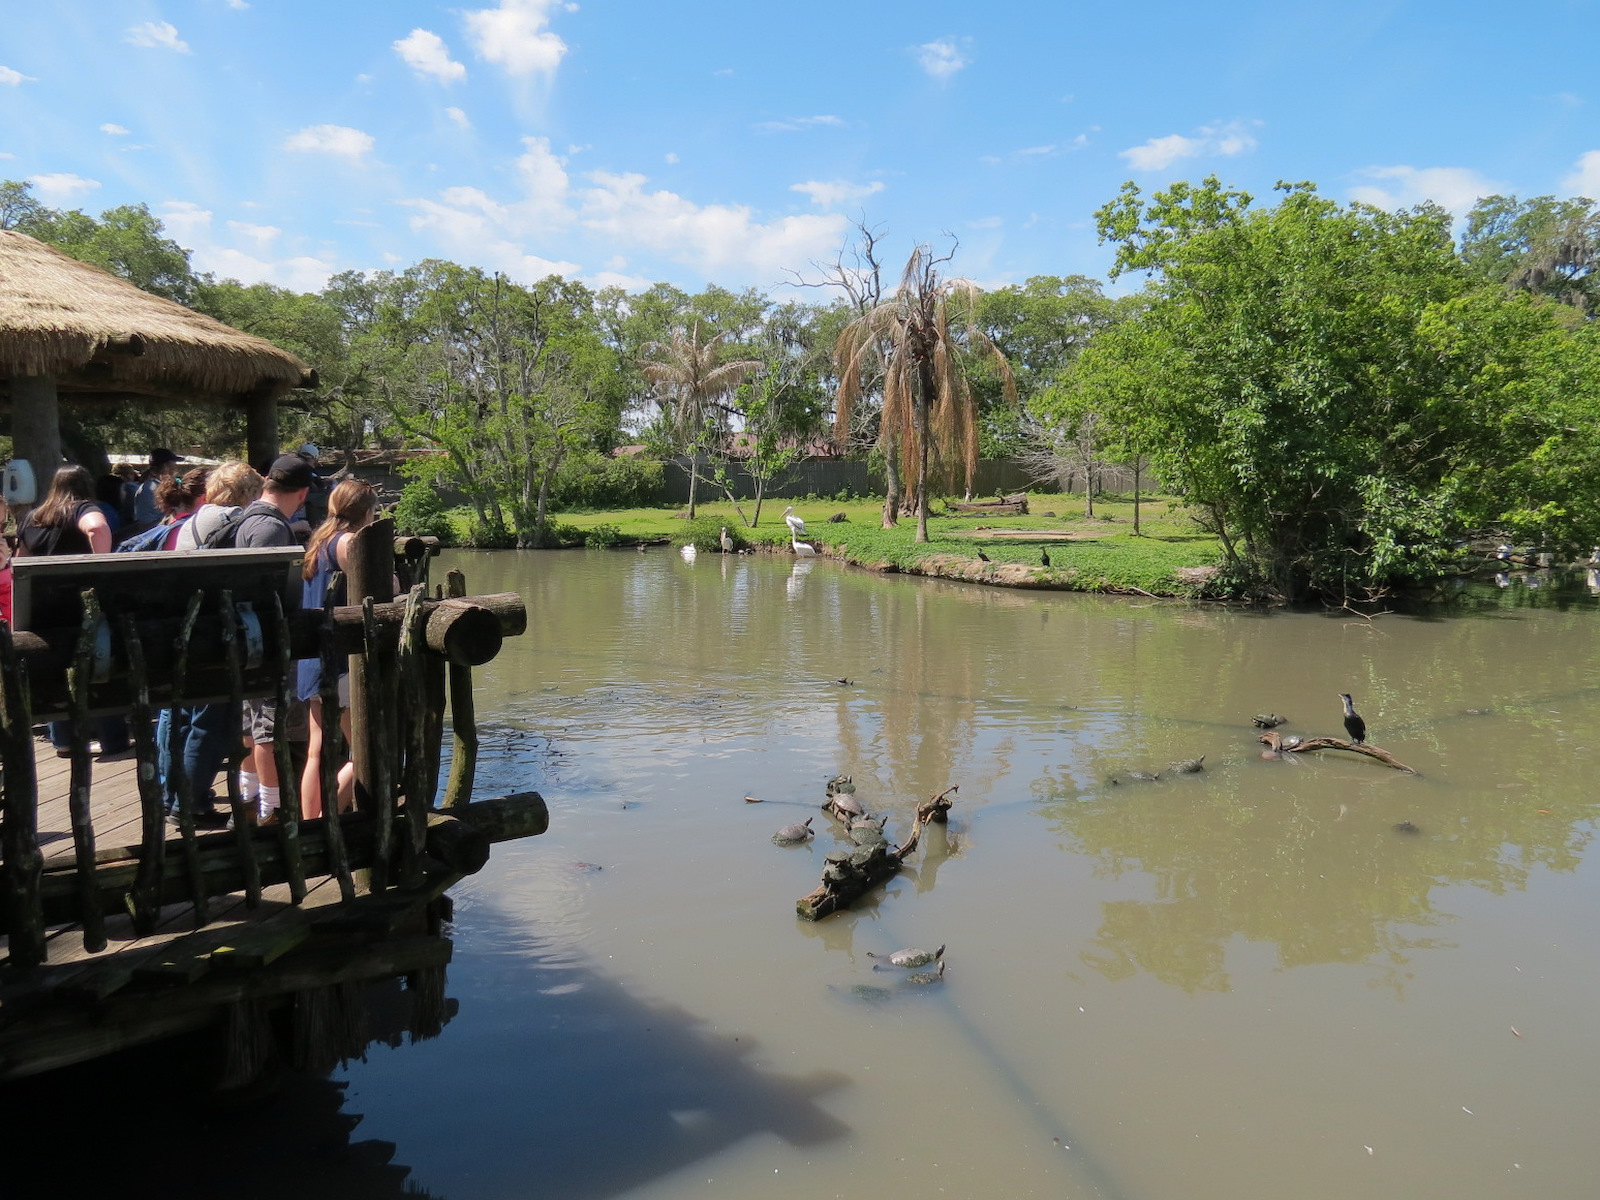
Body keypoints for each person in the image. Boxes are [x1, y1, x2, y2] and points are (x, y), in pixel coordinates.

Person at [15, 465, 127, 755]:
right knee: (98, 666)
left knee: (54, 671)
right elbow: (97, 527)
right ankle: (112, 740)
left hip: (42, 607)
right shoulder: (82, 509)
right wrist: (102, 564)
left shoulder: (34, 516)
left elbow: (21, 560)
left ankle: (63, 740)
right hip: (79, 605)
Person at [238, 454, 314, 825]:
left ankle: (249, 802)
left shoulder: (247, 517)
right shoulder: (269, 529)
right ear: (301, 493)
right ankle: (272, 812)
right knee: (268, 729)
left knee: (255, 728)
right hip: (264, 645)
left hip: (251, 642)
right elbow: (263, 592)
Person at [297, 478, 378, 818]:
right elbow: (375, 585)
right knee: (362, 751)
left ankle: (309, 821)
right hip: (339, 660)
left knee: (316, 749)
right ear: (366, 512)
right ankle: (326, 816)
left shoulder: (319, 541)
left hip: (312, 657)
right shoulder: (348, 542)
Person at [131, 448, 182, 530]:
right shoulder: (155, 488)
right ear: (166, 466)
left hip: (153, 530)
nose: (175, 468)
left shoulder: (150, 485)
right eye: (174, 464)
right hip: (153, 533)